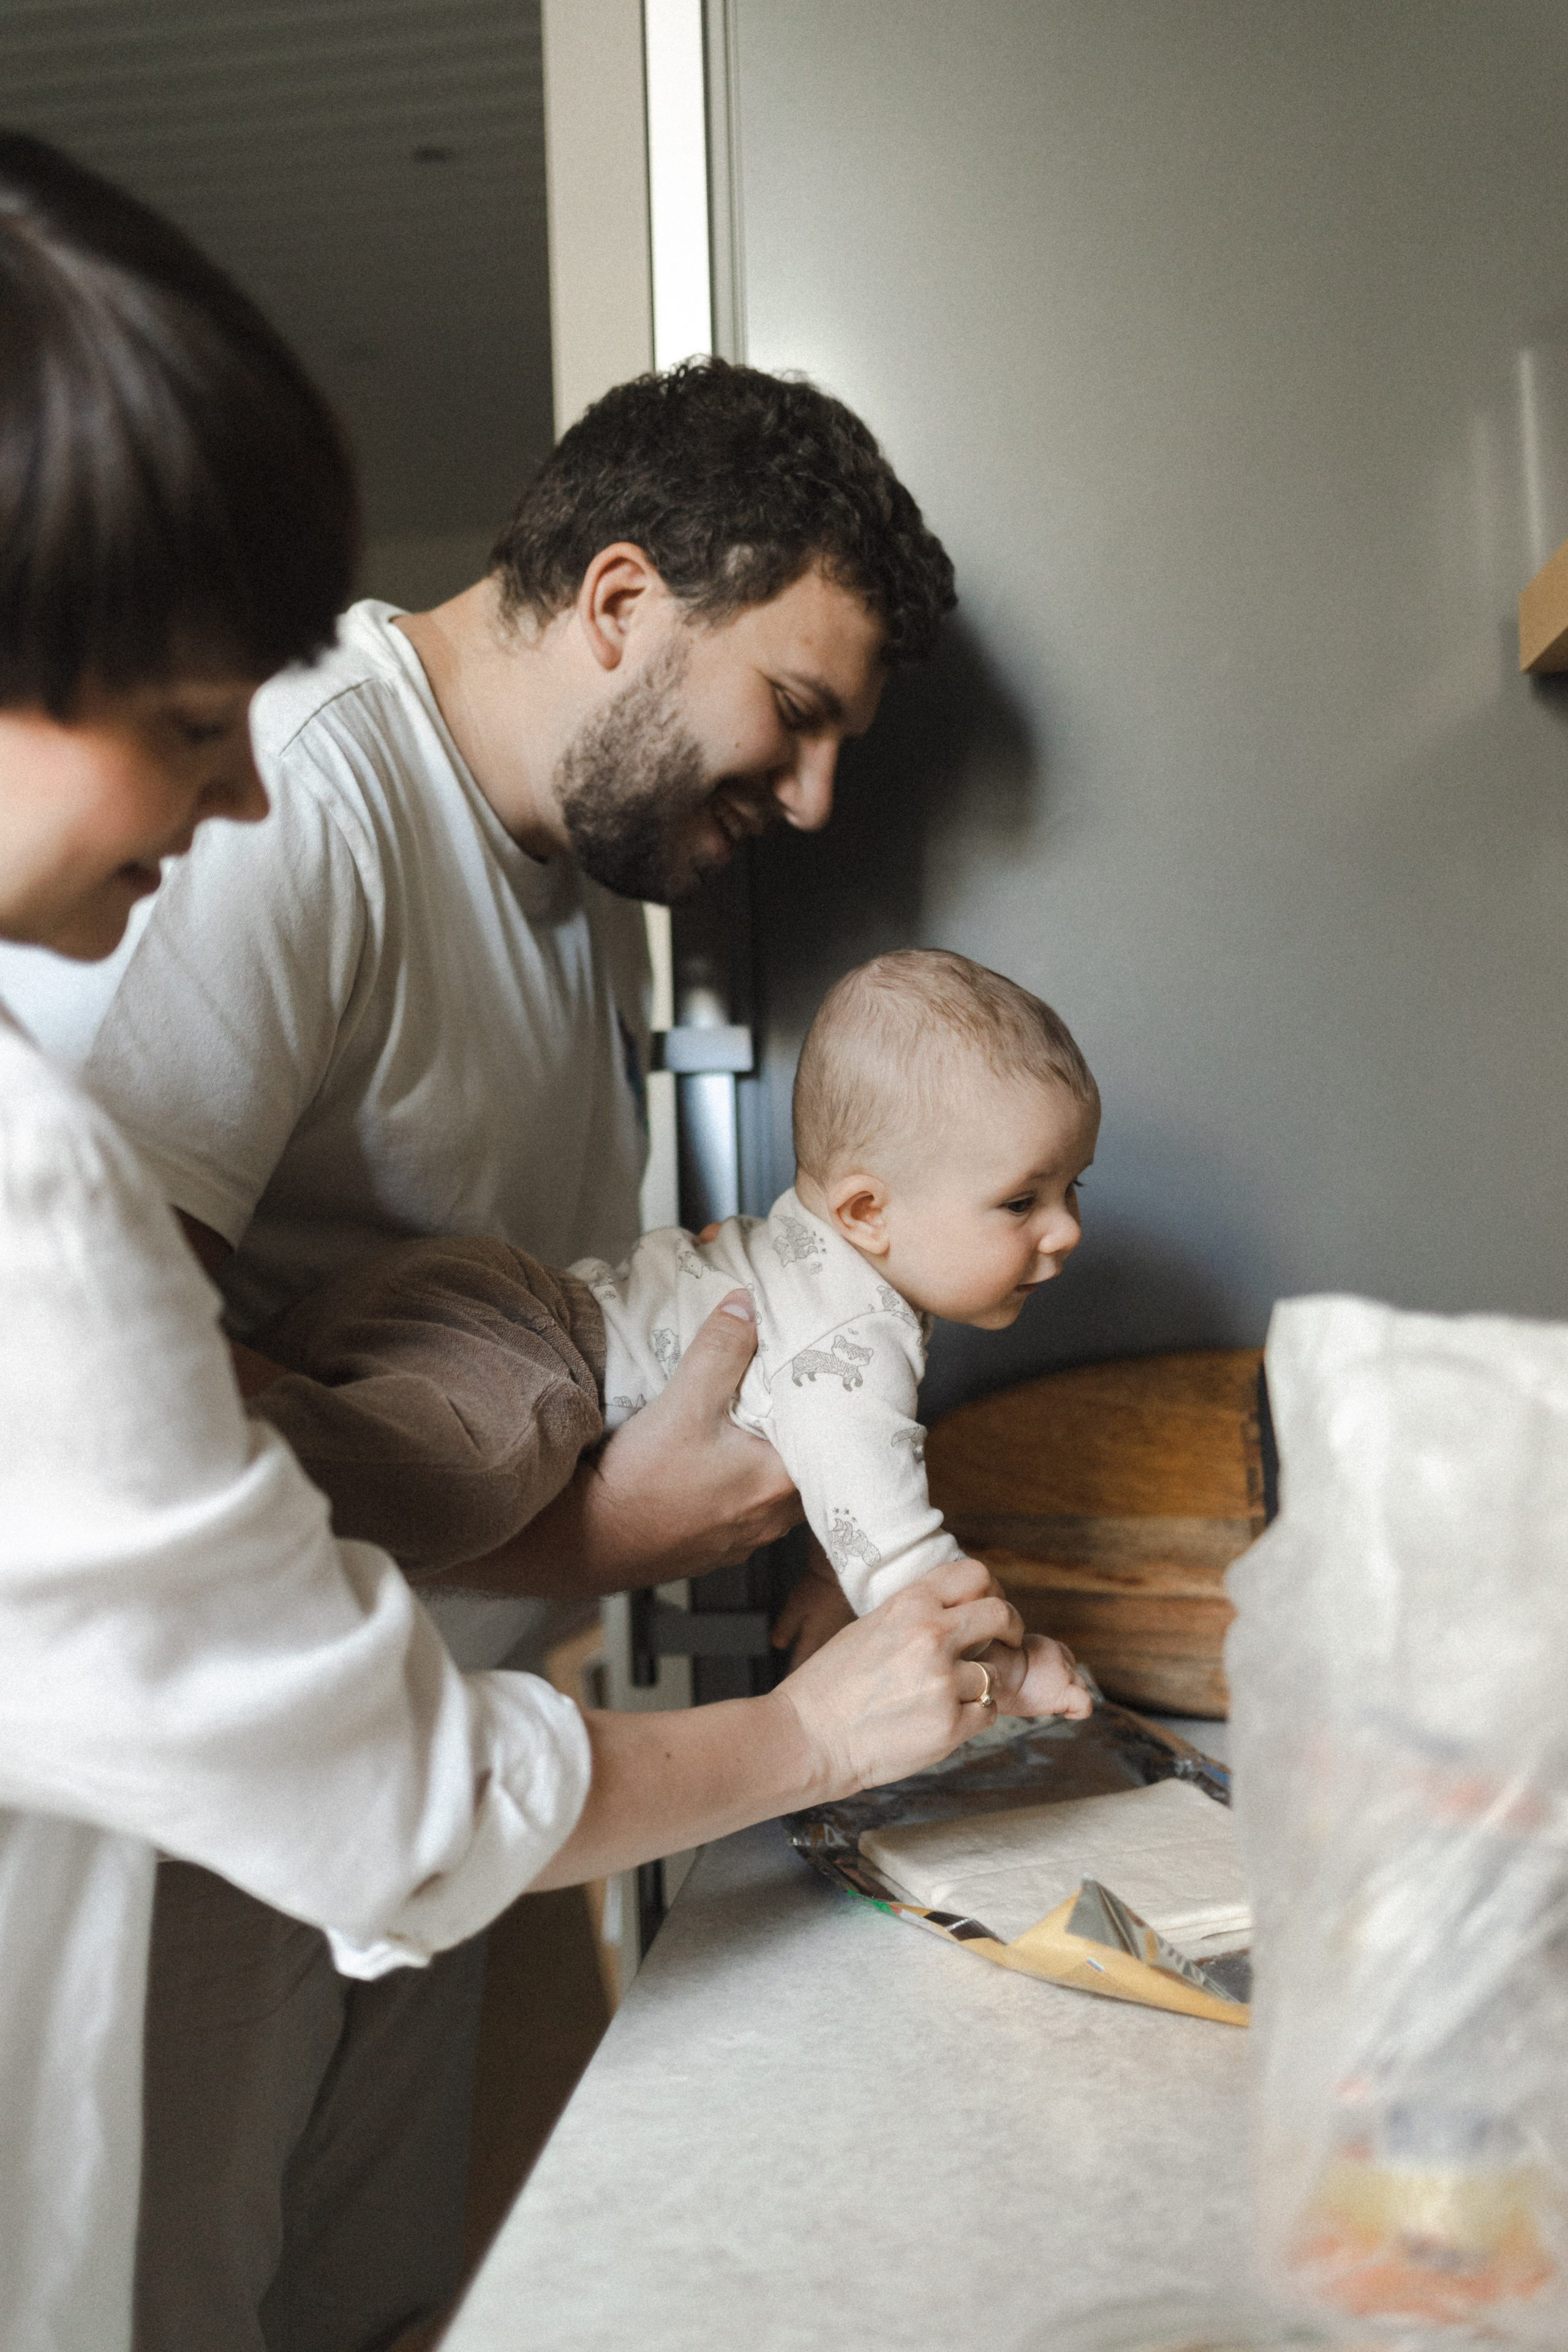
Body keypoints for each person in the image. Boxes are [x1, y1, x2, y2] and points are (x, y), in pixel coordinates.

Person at [0, 134, 1027, 2352]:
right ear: (631, 598)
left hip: (447, 1810)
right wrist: (590, 1551)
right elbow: (123, 1383)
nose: (824, 806)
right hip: (226, 1840)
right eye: (805, 716)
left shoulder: (568, 896)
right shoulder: (305, 812)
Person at [258, 950, 1101, 1718]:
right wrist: (1012, 1669)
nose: (1064, 1230)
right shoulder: (850, 1338)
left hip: (467, 1305)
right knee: (453, 1478)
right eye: (1023, 1201)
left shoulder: (824, 1276)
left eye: (1073, 1189)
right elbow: (898, 1542)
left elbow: (851, 1486)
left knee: (315, 1403)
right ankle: (232, 1487)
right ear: (867, 1212)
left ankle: (254, 1418)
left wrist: (829, 1581)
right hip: (522, 1358)